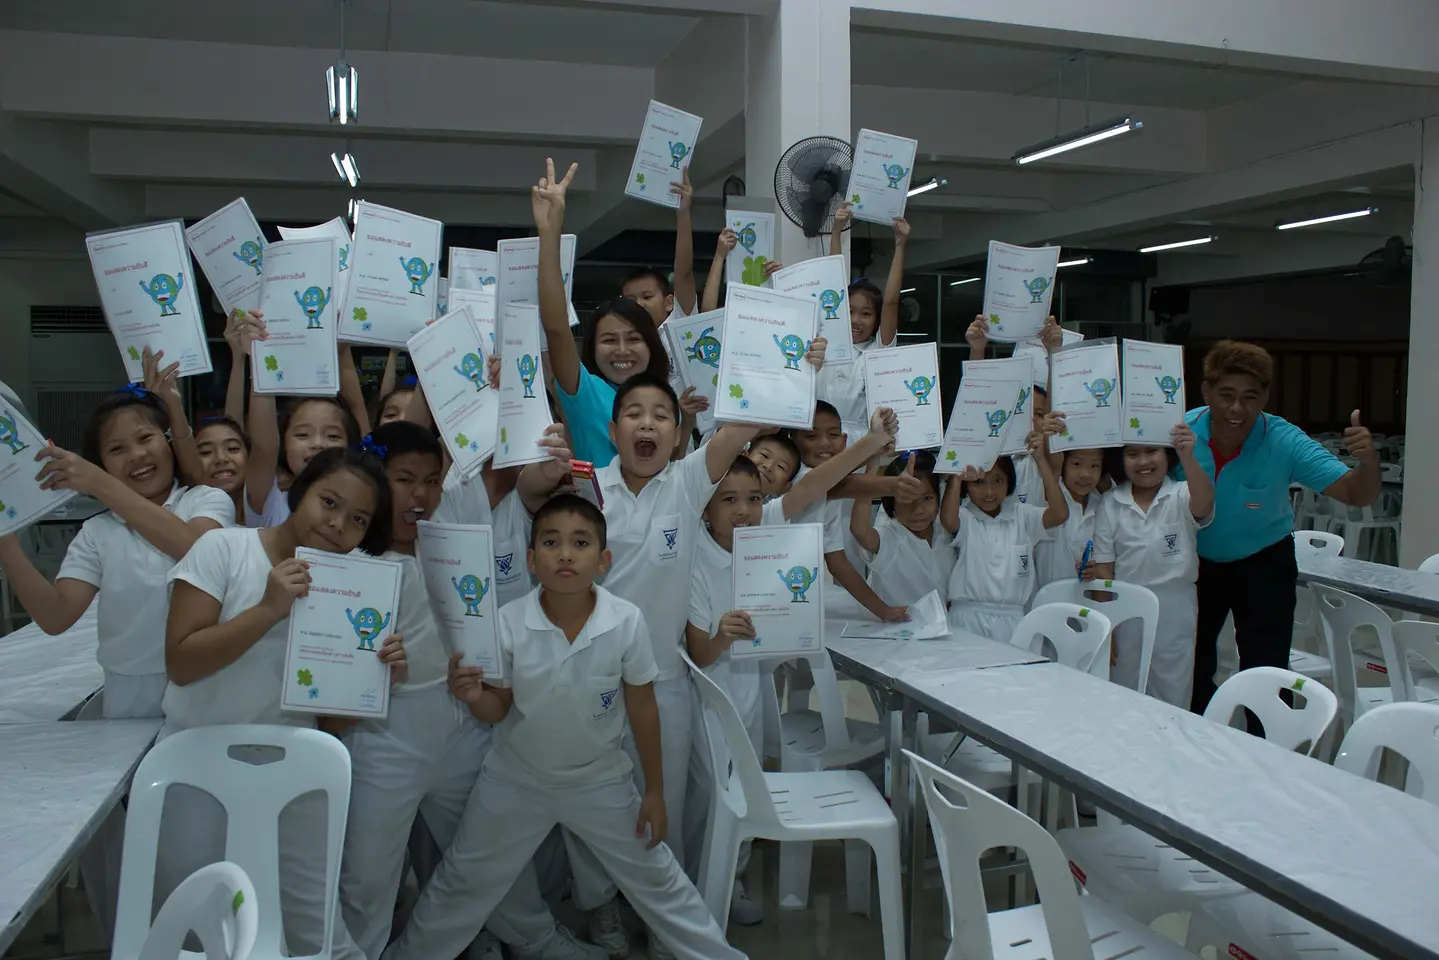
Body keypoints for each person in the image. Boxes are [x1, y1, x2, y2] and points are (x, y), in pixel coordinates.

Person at [381, 496, 747, 960]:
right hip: (515, 780)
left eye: (580, 543)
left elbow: (642, 707)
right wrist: (474, 696)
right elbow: (496, 711)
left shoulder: (625, 622)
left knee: (660, 881)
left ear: (604, 559)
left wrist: (653, 790)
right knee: (460, 885)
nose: (566, 554)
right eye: (551, 543)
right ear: (532, 561)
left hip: (601, 779)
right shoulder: (508, 622)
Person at [338, 422, 603, 960]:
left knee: (487, 851)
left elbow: (506, 475)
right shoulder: (348, 559)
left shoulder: (450, 523)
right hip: (385, 731)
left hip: (460, 718)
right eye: (403, 479)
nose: (420, 494)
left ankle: (534, 937)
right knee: (367, 872)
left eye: (431, 480)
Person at [163, 448, 404, 960]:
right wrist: (269, 610)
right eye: (329, 502)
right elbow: (181, 662)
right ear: (299, 493)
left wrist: (375, 678)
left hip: (294, 771)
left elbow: (331, 722)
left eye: (358, 519)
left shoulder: (352, 586)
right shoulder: (224, 549)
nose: (338, 524)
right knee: (195, 927)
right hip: (197, 767)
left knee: (314, 926)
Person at [565, 373, 762, 958]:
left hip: (665, 683)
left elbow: (741, 429)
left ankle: (656, 914)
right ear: (612, 430)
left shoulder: (686, 484)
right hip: (590, 680)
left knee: (662, 808)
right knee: (591, 804)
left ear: (679, 436)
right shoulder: (586, 490)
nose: (646, 423)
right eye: (634, 413)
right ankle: (600, 906)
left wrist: (790, 364)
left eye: (660, 415)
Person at [683, 408, 900, 919]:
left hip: (751, 688)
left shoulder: (767, 533)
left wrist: (870, 442)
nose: (744, 511)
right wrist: (720, 637)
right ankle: (697, 889)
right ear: (703, 507)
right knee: (709, 793)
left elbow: (815, 484)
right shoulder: (695, 556)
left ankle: (728, 880)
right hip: (709, 696)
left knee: (748, 779)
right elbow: (698, 651)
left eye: (755, 499)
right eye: (728, 500)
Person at [0, 386, 234, 718]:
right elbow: (55, 617)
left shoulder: (204, 500)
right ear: (103, 464)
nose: (136, 455)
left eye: (144, 438)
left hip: (207, 684)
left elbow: (198, 553)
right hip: (129, 696)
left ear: (168, 441)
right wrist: (6, 543)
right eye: (117, 449)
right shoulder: (98, 532)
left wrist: (98, 484)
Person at [1184, 340, 1379, 714]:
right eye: (1226, 395)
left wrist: (1368, 462)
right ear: (1207, 391)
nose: (1237, 408)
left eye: (1250, 397)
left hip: (1263, 562)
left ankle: (1268, 750)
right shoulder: (1181, 433)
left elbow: (1356, 494)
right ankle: (1197, 742)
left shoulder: (1285, 440)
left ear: (1265, 398)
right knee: (1191, 662)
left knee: (1267, 667)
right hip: (1195, 563)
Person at [535, 160, 673, 467]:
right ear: (593, 349)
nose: (622, 350)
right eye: (609, 340)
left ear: (651, 344)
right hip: (597, 514)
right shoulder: (585, 393)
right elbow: (556, 327)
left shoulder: (667, 398)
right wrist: (549, 232)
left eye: (633, 338)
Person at [1090, 427, 1215, 706]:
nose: (1143, 462)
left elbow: (1205, 505)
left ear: (1167, 455)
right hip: (1124, 612)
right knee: (1123, 693)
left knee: (1173, 691)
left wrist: (1188, 457)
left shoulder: (1182, 494)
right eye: (1132, 454)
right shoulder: (1111, 503)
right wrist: (1106, 627)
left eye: (1151, 452)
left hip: (1174, 610)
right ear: (1120, 461)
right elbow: (1103, 571)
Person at [940, 415, 1068, 639]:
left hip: (1014, 619)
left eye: (998, 480)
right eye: (979, 483)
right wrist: (956, 478)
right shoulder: (965, 516)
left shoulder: (1022, 515)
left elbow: (1059, 514)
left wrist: (1041, 460)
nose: (989, 492)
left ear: (1010, 481)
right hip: (967, 617)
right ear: (967, 487)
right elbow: (948, 520)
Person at [819, 204, 907, 425]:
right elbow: (833, 279)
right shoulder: (825, 343)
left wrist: (900, 245)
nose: (856, 320)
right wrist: (837, 230)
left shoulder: (877, 352)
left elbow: (891, 302)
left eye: (866, 313)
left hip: (859, 445)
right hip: (812, 442)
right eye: (849, 311)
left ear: (877, 320)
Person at [964, 315, 1064, 506]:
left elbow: (1055, 408)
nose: (1031, 419)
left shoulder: (1047, 457)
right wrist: (977, 350)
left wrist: (1054, 353)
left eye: (1039, 414)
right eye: (1022, 409)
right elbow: (977, 405)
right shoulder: (992, 454)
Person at [850, 450, 953, 608]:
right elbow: (859, 531)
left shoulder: (947, 531)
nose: (918, 510)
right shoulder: (889, 536)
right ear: (891, 503)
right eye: (906, 499)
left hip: (948, 626)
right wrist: (870, 473)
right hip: (900, 628)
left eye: (927, 498)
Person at [1034, 447, 1106, 588]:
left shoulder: (1103, 505)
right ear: (1063, 464)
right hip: (1045, 600)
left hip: (1085, 602)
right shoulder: (1047, 497)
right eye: (1077, 464)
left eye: (1094, 466)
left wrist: (1094, 570)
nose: (1085, 474)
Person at [194, 415, 249, 522]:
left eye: (232, 449)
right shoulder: (181, 511)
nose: (221, 458)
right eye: (206, 452)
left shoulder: (268, 508)